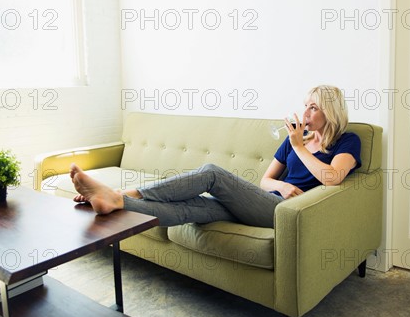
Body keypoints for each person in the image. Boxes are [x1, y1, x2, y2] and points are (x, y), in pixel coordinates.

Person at [70, 85, 362, 228]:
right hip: (269, 200)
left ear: (330, 112)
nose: (306, 113)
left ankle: (124, 193)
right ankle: (116, 201)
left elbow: (333, 178)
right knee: (191, 209)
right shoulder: (296, 139)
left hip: (287, 214)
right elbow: (264, 181)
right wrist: (282, 185)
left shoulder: (347, 141)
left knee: (211, 173)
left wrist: (299, 147)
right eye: (306, 106)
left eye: (313, 107)